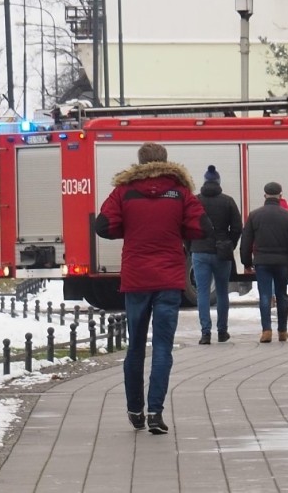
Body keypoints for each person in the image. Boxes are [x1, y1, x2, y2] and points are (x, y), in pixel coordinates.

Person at [94, 142, 212, 435]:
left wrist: (130, 230)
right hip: (169, 280)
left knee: (135, 346)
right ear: (165, 161)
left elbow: (103, 225)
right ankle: (156, 412)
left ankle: (135, 410)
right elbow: (202, 227)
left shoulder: (124, 191)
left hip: (136, 279)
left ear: (140, 161)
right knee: (162, 348)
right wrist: (178, 231)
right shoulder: (180, 192)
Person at [240, 181, 288, 343]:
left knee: (265, 295)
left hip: (262, 263)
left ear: (265, 196)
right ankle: (282, 331)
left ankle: (266, 331)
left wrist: (246, 263)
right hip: (282, 262)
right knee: (282, 295)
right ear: (280, 196)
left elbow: (246, 242)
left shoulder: (254, 215)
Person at [190, 165, 243, 345]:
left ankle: (205, 333)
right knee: (222, 292)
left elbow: (186, 227)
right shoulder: (228, 201)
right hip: (222, 252)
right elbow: (237, 227)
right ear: (218, 182)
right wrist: (230, 244)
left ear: (205, 182)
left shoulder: (195, 201)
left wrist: (191, 245)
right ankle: (222, 331)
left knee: (202, 293)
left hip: (199, 251)